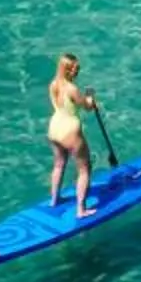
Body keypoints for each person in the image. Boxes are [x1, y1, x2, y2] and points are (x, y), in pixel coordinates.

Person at [47, 53, 100, 218]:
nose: (78, 72)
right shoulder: (72, 89)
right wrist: (91, 100)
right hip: (70, 130)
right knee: (84, 169)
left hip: (55, 128)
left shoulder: (53, 84)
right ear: (69, 70)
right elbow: (86, 106)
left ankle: (54, 200)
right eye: (76, 69)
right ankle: (81, 210)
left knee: (58, 164)